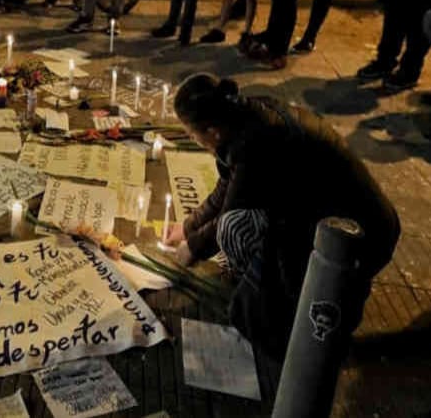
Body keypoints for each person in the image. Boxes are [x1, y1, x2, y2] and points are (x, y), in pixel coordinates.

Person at [163, 73, 400, 360]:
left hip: (357, 237)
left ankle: (315, 310)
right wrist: (187, 229)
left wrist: (193, 248)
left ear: (211, 131)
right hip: (327, 216)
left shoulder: (256, 141)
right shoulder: (241, 117)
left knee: (237, 234)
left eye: (191, 134)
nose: (191, 139)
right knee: (249, 243)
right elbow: (227, 188)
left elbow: (229, 213)